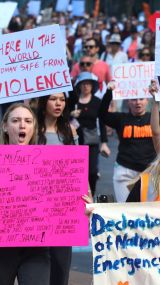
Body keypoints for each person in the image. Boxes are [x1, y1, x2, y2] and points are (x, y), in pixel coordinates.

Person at [99, 82, 160, 202]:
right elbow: (102, 115)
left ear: (147, 100)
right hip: (125, 171)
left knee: (148, 212)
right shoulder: (121, 118)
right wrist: (109, 92)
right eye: (134, 99)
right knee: (126, 210)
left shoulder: (155, 118)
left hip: (150, 171)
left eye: (141, 99)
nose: (138, 102)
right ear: (128, 102)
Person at [0, 103, 50, 285]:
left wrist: (81, 205)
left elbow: (61, 202)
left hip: (36, 248)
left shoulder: (52, 163)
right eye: (16, 120)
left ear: (33, 128)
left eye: (28, 121)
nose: (22, 125)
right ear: (5, 127)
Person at [36, 93, 77, 285]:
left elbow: (78, 168)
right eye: (53, 99)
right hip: (36, 207)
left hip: (63, 208)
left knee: (61, 265)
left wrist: (86, 196)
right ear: (44, 102)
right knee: (38, 263)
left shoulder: (70, 132)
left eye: (62, 99)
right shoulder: (31, 130)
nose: (58, 103)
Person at [69, 72, 110, 196]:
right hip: (75, 141)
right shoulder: (73, 101)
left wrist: (104, 142)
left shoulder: (97, 101)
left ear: (93, 86)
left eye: (89, 84)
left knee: (92, 172)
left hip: (92, 141)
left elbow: (102, 122)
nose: (86, 86)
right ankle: (77, 194)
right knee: (76, 171)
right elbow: (61, 117)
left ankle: (91, 193)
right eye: (83, 84)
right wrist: (70, 115)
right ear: (79, 86)